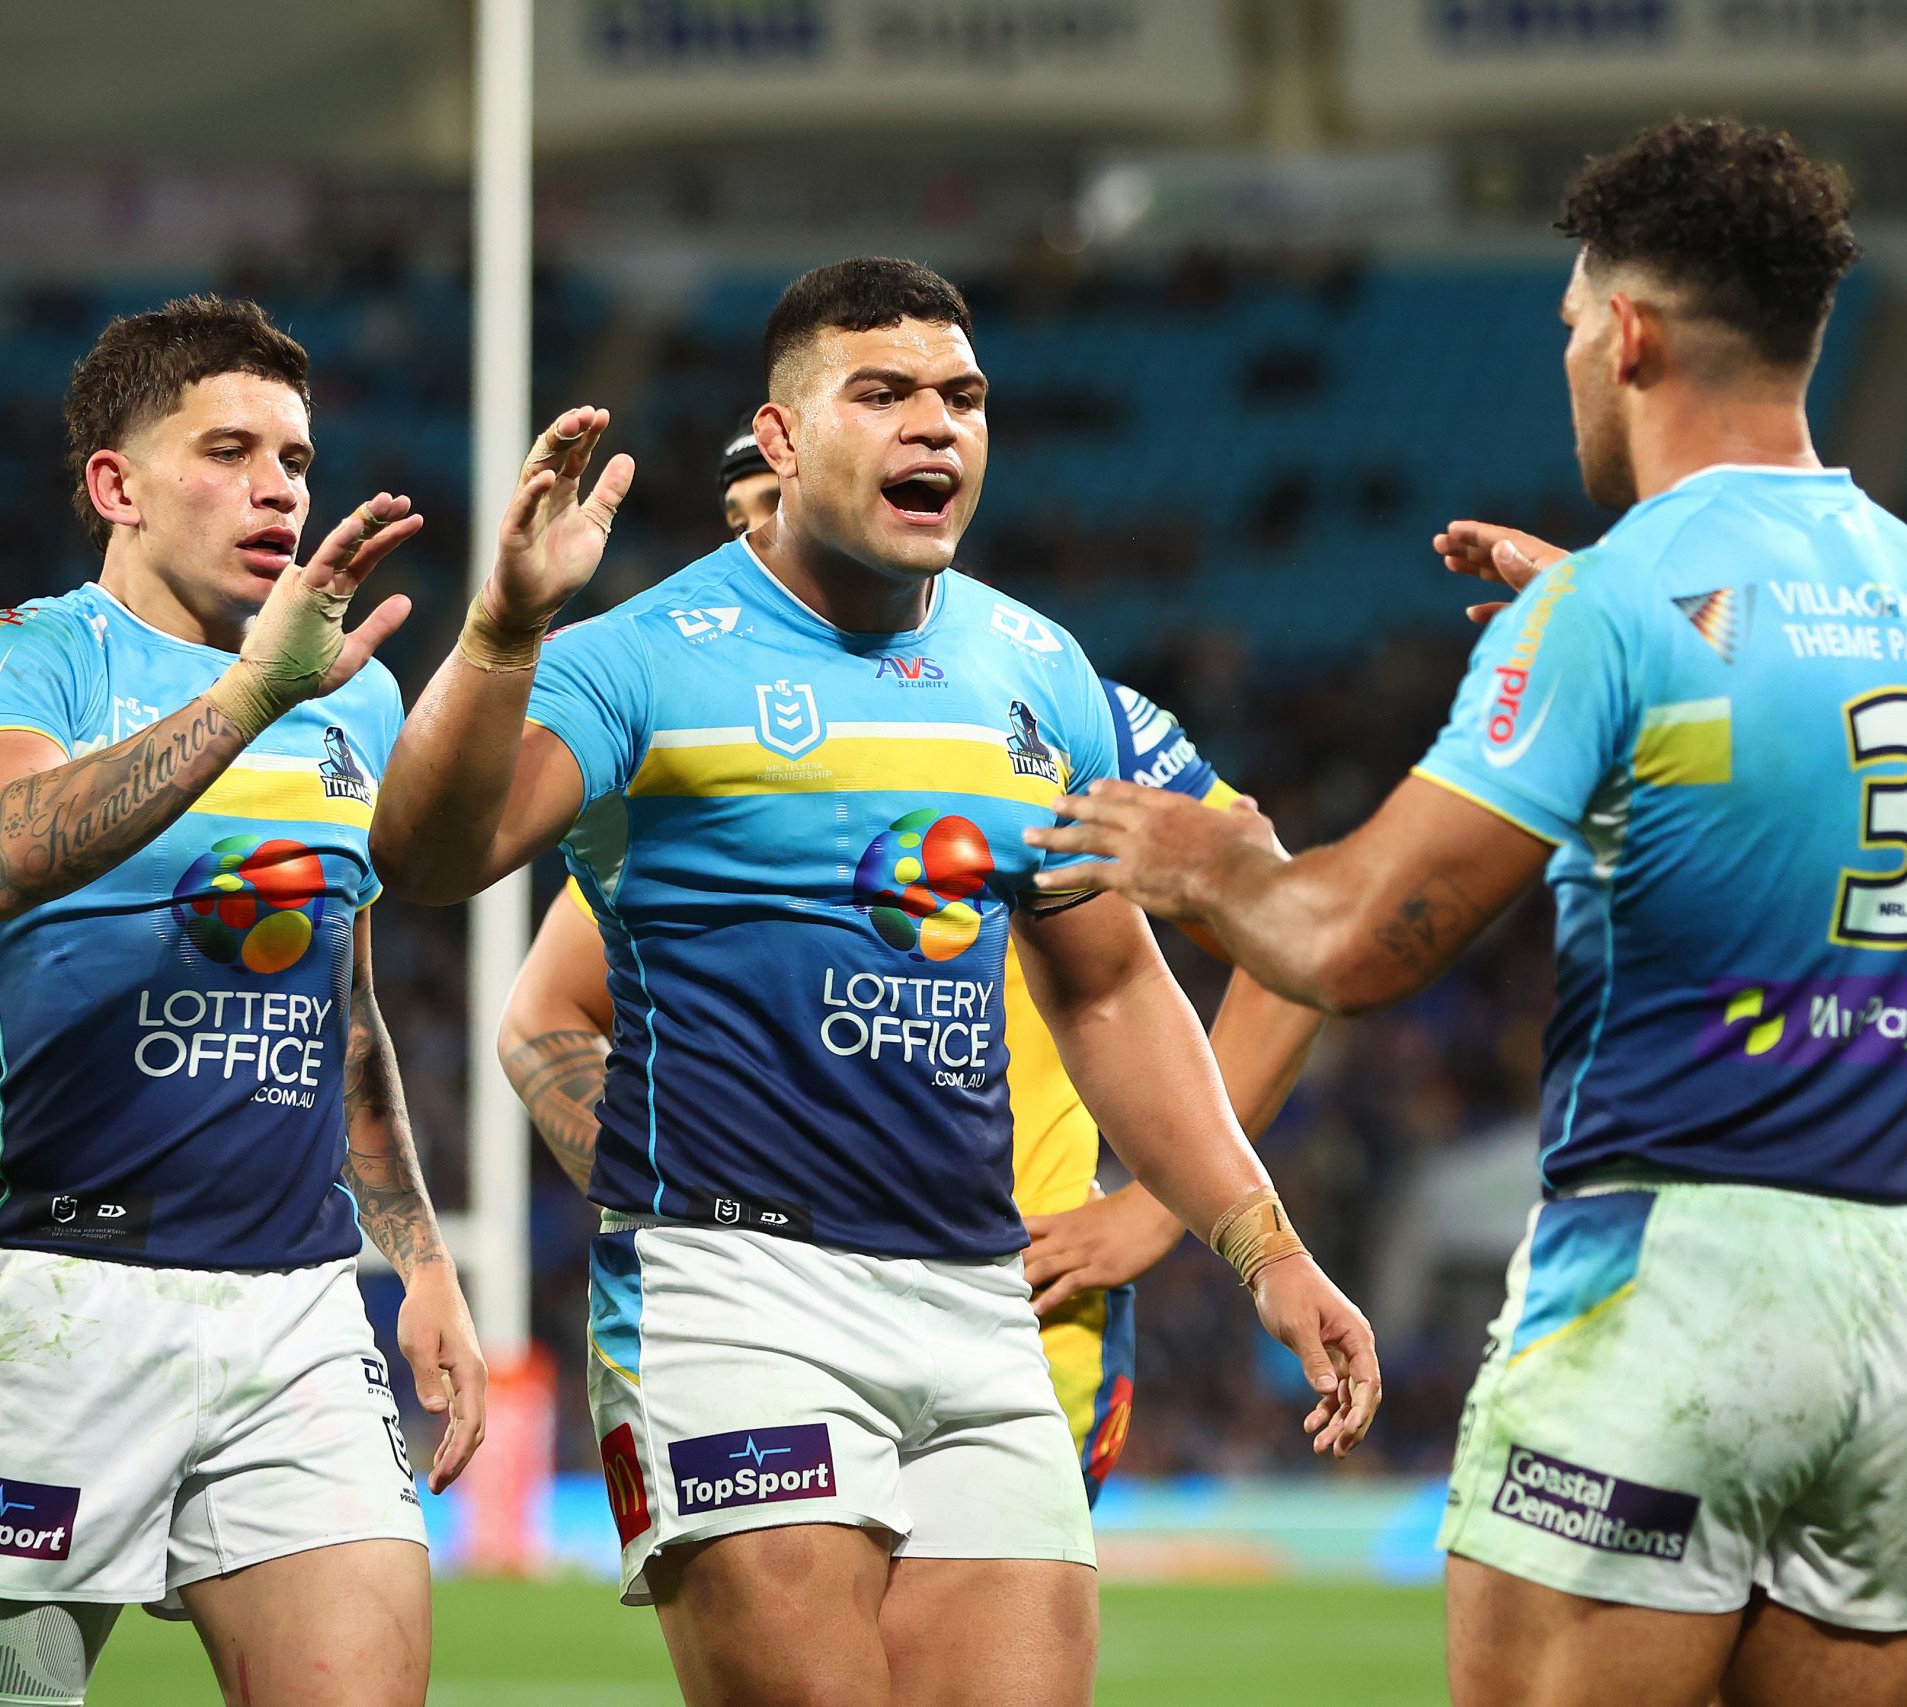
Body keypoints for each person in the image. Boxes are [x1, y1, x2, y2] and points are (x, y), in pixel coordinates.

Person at [1029, 121, 1907, 1707]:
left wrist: (1197, 858)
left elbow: (1350, 941)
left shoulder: (1615, 607)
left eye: (1571, 325)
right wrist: (1605, 636)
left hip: (1670, 1278)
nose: (1570, 356)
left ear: (1627, 333)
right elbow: (1767, 734)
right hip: (1904, 1295)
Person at [371, 256, 1379, 1707]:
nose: (935, 426)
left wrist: (1260, 1247)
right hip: (737, 1295)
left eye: (962, 397)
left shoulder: (1038, 672)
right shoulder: (643, 658)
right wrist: (500, 633)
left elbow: (1107, 990)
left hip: (979, 1300)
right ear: (779, 441)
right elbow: (429, 853)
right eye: (885, 393)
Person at [497, 426, 1329, 1505]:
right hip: (756, 1295)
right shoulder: (703, 764)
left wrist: (1155, 1212)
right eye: (750, 522)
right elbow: (541, 1016)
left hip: (1020, 1300)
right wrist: (684, 1186)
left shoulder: (1063, 721)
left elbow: (1287, 936)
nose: (774, 543)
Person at [0, 296, 484, 1707]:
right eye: (227, 449)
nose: (279, 485)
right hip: (60, 1303)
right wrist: (247, 696)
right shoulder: (27, 652)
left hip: (296, 1302)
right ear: (118, 484)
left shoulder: (354, 698)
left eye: (294, 455)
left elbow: (343, 1013)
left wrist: (420, 1256)